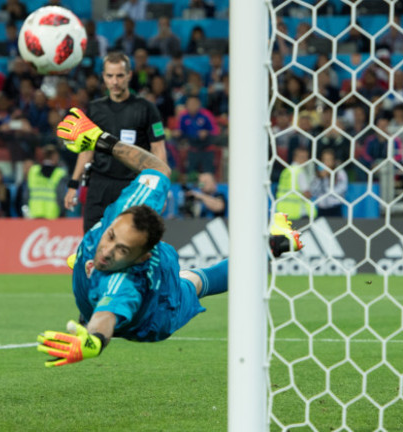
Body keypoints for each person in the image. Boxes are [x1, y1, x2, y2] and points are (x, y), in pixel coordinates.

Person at [38, 108, 303, 366]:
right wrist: (102, 140)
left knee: (196, 282)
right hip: (133, 260)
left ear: (141, 256)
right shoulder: (130, 209)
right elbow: (158, 168)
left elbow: (106, 317)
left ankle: (272, 247)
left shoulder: (123, 283)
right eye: (110, 238)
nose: (106, 251)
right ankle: (276, 243)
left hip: (156, 313)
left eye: (121, 251)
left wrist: (94, 341)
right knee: (114, 262)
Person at [63, 52, 167, 233]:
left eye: (120, 75)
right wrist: (73, 185)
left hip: (132, 185)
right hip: (99, 185)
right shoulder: (95, 109)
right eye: (110, 76)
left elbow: (158, 149)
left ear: (129, 75)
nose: (115, 82)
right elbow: (87, 151)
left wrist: (161, 188)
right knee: (91, 242)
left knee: (128, 242)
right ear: (103, 77)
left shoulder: (146, 108)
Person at [275, 146, 316, 220]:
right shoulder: (299, 172)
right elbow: (306, 193)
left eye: (306, 157)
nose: (305, 160)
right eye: (302, 157)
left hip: (282, 209)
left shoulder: (286, 170)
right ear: (295, 157)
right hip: (297, 211)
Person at [27, 145, 68, 219]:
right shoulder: (59, 173)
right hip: (52, 215)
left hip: (33, 213)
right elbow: (61, 196)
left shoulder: (33, 170)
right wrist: (62, 212)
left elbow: (26, 193)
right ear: (55, 156)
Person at [310, 148, 348, 217]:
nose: (326, 162)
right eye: (324, 160)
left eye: (329, 160)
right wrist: (320, 178)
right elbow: (313, 192)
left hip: (335, 209)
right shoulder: (317, 174)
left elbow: (342, 189)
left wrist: (327, 184)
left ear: (333, 161)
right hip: (321, 209)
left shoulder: (340, 173)